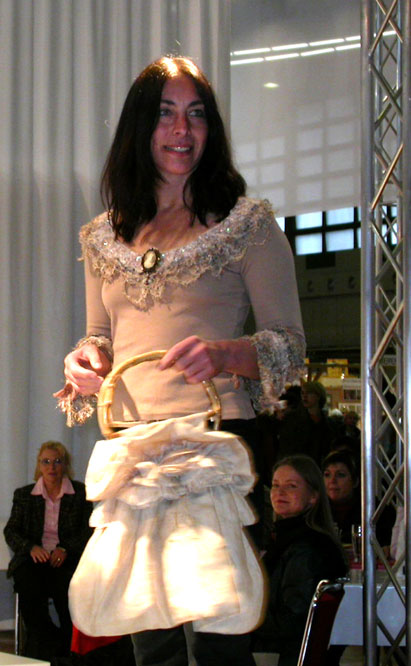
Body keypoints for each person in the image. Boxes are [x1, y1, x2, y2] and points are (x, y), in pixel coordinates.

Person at [54, 55, 305, 666]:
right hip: (133, 449)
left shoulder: (247, 225)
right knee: (152, 641)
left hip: (212, 442)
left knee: (218, 637)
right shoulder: (103, 237)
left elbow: (291, 346)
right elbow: (100, 336)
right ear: (140, 126)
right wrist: (85, 360)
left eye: (196, 114)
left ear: (211, 128)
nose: (181, 130)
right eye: (166, 113)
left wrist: (226, 352)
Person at [253, 455, 347, 666]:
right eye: (276, 485)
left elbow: (293, 619)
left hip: (282, 653)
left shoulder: (306, 548)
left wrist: (243, 616)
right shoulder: (287, 540)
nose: (280, 492)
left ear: (313, 496)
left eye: (291, 486)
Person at [4, 441, 93, 661]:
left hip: (67, 558)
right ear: (39, 465)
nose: (51, 467)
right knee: (28, 588)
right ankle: (49, 645)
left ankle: (68, 650)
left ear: (65, 465)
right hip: (34, 558)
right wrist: (31, 547)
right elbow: (11, 531)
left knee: (69, 591)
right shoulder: (24, 495)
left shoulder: (80, 493)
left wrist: (65, 548)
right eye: (46, 462)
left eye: (57, 461)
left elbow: (88, 529)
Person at [322, 448, 396, 550]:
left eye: (340, 475)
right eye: (327, 475)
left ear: (355, 481)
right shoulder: (316, 511)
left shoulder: (376, 512)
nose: (332, 480)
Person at [276, 380, 333, 465]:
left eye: (309, 393)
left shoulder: (328, 423)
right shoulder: (292, 419)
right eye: (302, 393)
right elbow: (287, 447)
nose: (304, 396)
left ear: (318, 396)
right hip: (298, 465)